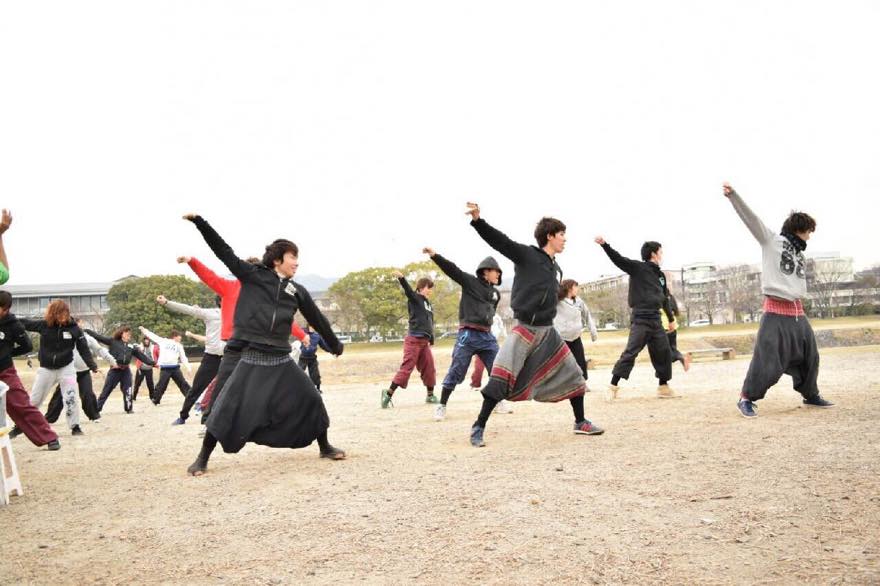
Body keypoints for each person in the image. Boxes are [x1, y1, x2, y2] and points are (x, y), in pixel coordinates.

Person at [182, 214, 345, 476]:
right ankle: (202, 458)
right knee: (224, 405)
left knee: (312, 397)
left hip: (279, 357)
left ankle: (324, 446)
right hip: (248, 354)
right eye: (292, 257)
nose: (297, 262)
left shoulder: (296, 290)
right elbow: (223, 251)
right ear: (278, 259)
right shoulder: (252, 275)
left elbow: (317, 318)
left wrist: (335, 344)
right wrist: (201, 223)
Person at [465, 202, 603, 447]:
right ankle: (479, 426)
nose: (565, 239)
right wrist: (478, 221)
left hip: (548, 331)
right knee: (501, 378)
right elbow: (501, 242)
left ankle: (580, 421)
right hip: (525, 330)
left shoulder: (555, 268)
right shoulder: (527, 255)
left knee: (574, 373)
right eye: (562, 234)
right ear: (549, 236)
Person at [723, 183, 833, 417]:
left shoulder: (800, 254)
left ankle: (810, 394)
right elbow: (751, 219)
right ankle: (746, 398)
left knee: (811, 357)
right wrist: (734, 196)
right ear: (798, 229)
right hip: (775, 313)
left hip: (798, 314)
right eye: (808, 231)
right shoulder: (771, 241)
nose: (809, 236)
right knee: (767, 360)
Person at [177, 254, 310, 423]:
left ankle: (256, 418)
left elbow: (283, 318)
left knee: (249, 383)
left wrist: (302, 335)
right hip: (236, 345)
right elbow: (209, 276)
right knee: (226, 382)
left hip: (254, 345)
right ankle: (210, 420)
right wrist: (192, 261)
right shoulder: (230, 287)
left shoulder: (264, 294)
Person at [422, 247, 502, 421]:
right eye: (496, 271)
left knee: (498, 368)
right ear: (485, 271)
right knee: (457, 370)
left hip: (487, 337)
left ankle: (496, 401)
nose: (498, 274)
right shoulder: (470, 282)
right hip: (468, 334)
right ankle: (442, 405)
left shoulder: (496, 293)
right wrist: (435, 256)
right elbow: (452, 270)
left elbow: (491, 312)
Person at [596, 237, 677, 400]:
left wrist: (670, 318)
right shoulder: (638, 268)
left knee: (663, 352)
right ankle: (613, 386)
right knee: (631, 352)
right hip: (640, 318)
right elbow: (618, 259)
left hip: (656, 319)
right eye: (660, 252)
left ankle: (663, 387)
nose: (662, 255)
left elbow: (664, 299)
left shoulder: (660, 275)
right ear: (653, 254)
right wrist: (605, 245)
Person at [22, 300, 97, 436]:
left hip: (67, 369)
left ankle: (75, 426)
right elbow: (25, 323)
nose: (63, 316)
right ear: (53, 314)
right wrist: (7, 320)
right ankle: (22, 424)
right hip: (46, 369)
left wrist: (92, 365)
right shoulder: (44, 325)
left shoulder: (74, 329)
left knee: (70, 397)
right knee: (35, 398)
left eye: (65, 313)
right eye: (59, 313)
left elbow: (84, 349)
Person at [0, 290, 60, 450]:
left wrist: (7, 353)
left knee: (21, 405)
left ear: (5, 309)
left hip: (4, 371)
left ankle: (49, 437)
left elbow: (27, 346)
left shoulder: (14, 325)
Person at [155, 294, 224, 425]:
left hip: (230, 357)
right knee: (196, 388)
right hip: (212, 358)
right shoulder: (211, 314)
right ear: (221, 301)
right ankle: (183, 416)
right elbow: (188, 309)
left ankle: (213, 417)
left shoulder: (237, 314)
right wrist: (167, 302)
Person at [380, 272, 436, 408]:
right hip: (413, 341)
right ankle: (388, 394)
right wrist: (402, 278)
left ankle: (430, 395)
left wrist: (431, 338)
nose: (430, 290)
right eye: (428, 288)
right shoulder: (415, 298)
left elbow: (430, 321)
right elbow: (408, 291)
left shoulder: (428, 304)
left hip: (425, 342)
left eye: (431, 288)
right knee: (406, 369)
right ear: (421, 288)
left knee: (429, 368)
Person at [45, 321, 114, 422]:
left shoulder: (87, 338)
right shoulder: (65, 337)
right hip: (69, 373)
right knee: (61, 394)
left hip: (84, 372)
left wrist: (112, 361)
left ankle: (94, 416)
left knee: (87, 394)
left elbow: (99, 350)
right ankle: (49, 418)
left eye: (80, 325)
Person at [87, 326, 155, 413]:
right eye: (126, 333)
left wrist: (152, 363)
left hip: (126, 371)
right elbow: (98, 337)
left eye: (129, 333)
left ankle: (129, 408)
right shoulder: (113, 341)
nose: (128, 335)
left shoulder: (131, 346)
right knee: (107, 389)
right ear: (122, 334)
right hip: (114, 370)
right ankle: (97, 409)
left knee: (128, 389)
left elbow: (141, 356)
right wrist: (86, 331)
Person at [553, 279, 598, 386]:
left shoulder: (579, 301)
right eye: (575, 286)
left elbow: (587, 316)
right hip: (562, 338)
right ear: (569, 288)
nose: (577, 289)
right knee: (562, 363)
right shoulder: (557, 301)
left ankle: (582, 383)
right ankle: (560, 385)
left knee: (580, 361)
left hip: (576, 337)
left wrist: (593, 331)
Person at [139, 326, 191, 404]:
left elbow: (183, 357)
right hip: (165, 368)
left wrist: (188, 367)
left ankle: (190, 397)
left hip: (175, 368)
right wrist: (144, 330)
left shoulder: (179, 346)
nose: (180, 338)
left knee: (183, 383)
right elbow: (153, 336)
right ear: (175, 336)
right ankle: (156, 399)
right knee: (162, 384)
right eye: (179, 336)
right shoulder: (163, 341)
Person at [298, 324, 333, 393]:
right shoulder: (303, 333)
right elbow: (297, 331)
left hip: (312, 357)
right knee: (299, 372)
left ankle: (317, 388)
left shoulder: (317, 336)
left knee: (315, 373)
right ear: (309, 326)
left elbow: (324, 346)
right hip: (303, 357)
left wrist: (332, 351)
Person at [662, 293, 691, 372]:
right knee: (672, 349)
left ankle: (681, 358)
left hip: (664, 327)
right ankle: (681, 358)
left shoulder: (660, 298)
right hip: (673, 326)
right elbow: (674, 311)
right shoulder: (670, 297)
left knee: (663, 352)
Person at [132, 337, 158, 401]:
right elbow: (136, 351)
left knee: (150, 384)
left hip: (149, 369)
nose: (146, 342)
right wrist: (140, 348)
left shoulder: (152, 348)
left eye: (147, 341)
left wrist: (156, 363)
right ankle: (133, 397)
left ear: (149, 341)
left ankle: (152, 397)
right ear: (143, 342)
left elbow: (157, 353)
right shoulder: (140, 348)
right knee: (137, 384)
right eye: (145, 341)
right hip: (141, 369)